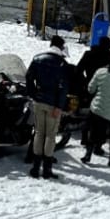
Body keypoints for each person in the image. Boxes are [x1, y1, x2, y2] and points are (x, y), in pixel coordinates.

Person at [25, 35, 72, 179]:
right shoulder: (62, 63)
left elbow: (28, 77)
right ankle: (46, 169)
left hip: (39, 101)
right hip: (53, 104)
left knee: (39, 132)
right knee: (50, 136)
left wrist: (33, 94)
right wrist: (60, 106)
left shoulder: (37, 58)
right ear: (61, 47)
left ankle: (35, 167)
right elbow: (64, 88)